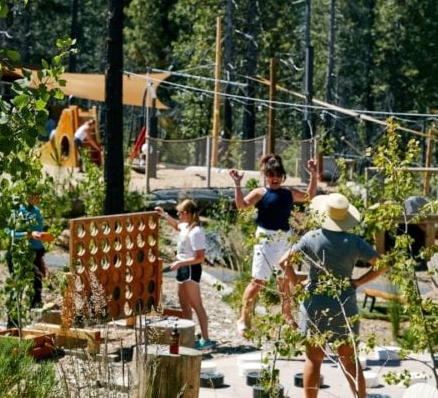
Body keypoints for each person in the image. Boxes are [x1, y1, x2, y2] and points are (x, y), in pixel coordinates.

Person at [279, 193, 386, 398]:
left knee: (313, 359)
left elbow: (284, 263)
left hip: (314, 303)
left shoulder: (311, 238)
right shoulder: (354, 241)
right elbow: (382, 264)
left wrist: (298, 283)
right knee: (349, 360)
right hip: (344, 304)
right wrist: (358, 282)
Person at [229, 154, 318, 337]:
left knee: (284, 281)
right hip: (265, 239)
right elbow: (241, 206)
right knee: (258, 282)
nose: (275, 178)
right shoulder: (260, 193)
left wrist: (313, 174)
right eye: (271, 175)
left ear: (283, 175)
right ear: (266, 175)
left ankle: (287, 316)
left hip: (284, 238)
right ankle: (243, 318)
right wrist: (237, 184)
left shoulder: (288, 192)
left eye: (278, 175)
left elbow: (310, 196)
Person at [154, 200, 215, 350]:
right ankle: (189, 337)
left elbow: (200, 258)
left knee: (197, 305)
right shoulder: (185, 227)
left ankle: (206, 339)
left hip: (190, 270)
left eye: (180, 213)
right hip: (181, 268)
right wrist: (164, 215)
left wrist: (180, 263)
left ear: (187, 213)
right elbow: (176, 225)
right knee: (184, 306)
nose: (178, 215)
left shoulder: (196, 232)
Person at [6, 190, 47, 327]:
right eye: (34, 194)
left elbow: (37, 234)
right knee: (17, 287)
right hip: (19, 254)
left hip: (35, 253)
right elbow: (10, 232)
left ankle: (34, 321)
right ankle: (12, 323)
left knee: (37, 286)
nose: (37, 197)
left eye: (38, 195)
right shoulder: (18, 210)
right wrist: (29, 235)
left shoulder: (36, 210)